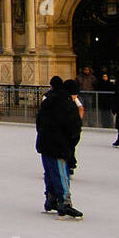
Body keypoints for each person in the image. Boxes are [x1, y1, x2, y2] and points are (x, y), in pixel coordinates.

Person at [36, 77, 83, 217]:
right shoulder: (67, 104)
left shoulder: (49, 99)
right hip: (59, 145)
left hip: (45, 142)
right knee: (62, 174)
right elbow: (73, 128)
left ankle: (51, 199)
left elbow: (39, 121)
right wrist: (70, 143)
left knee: (50, 172)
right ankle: (65, 203)